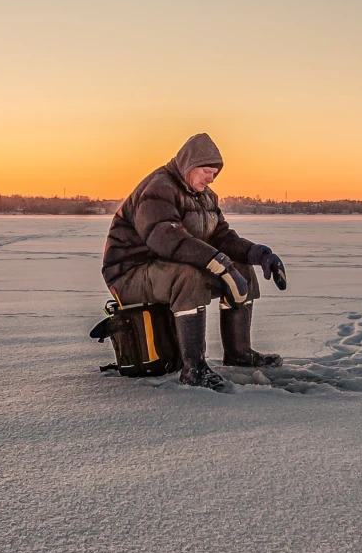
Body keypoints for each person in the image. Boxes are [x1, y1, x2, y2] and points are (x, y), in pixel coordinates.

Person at [101, 133, 287, 391]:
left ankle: (238, 353)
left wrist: (259, 254)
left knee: (241, 268)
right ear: (189, 165)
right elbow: (164, 238)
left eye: (215, 173)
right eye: (207, 171)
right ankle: (193, 368)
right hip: (129, 273)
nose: (211, 178)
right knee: (188, 276)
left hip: (163, 267)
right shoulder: (158, 188)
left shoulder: (206, 197)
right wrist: (218, 263)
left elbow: (221, 237)